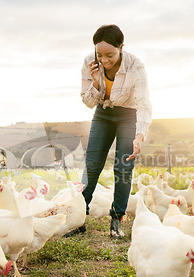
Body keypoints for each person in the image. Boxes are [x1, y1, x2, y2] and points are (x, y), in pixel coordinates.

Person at [65, 24, 152, 239]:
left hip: (128, 115)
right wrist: (95, 82)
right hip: (103, 113)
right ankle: (79, 220)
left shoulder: (136, 67)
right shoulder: (89, 62)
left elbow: (143, 104)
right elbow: (87, 102)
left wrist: (139, 136)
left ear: (122, 47)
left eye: (110, 55)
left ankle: (116, 221)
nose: (104, 60)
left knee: (123, 167)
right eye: (100, 54)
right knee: (92, 165)